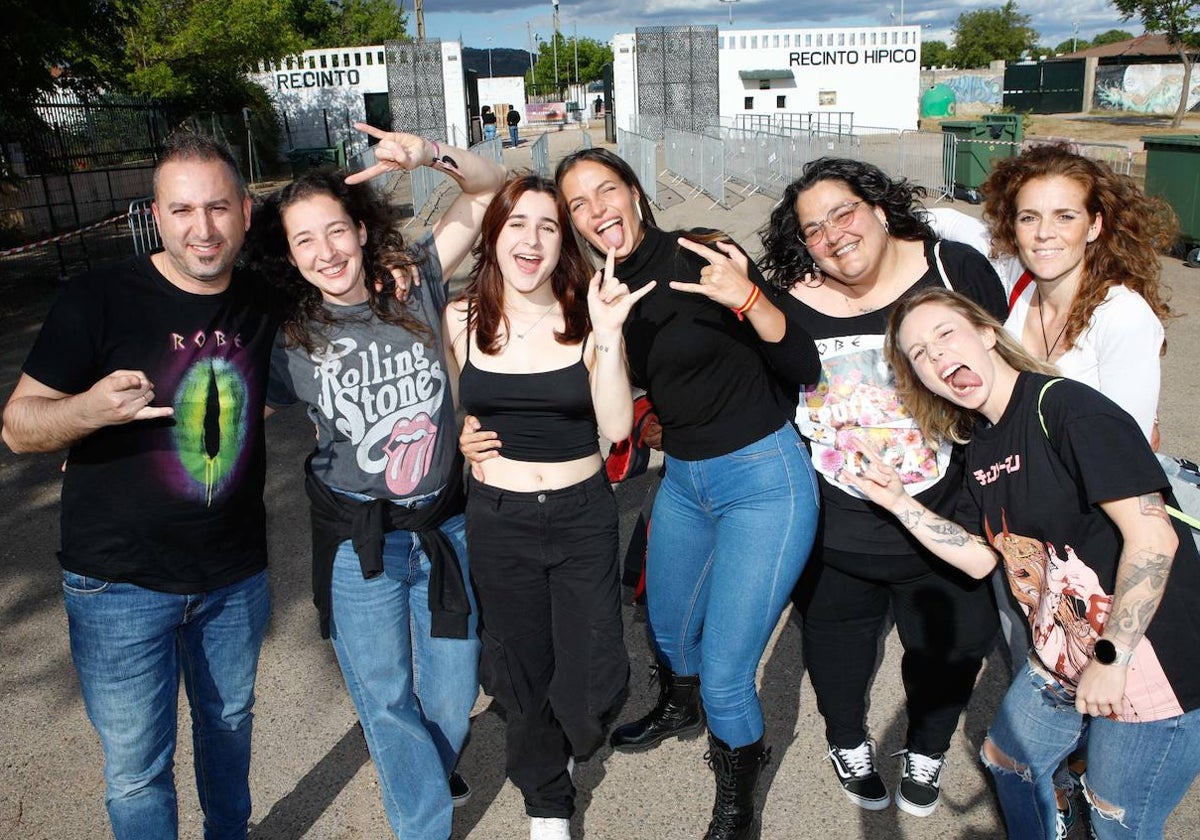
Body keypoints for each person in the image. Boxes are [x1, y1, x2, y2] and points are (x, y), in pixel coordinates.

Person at [843, 285, 1200, 840]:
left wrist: (1113, 654)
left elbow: (1154, 538)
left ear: (987, 333)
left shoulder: (1066, 407)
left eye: (945, 335)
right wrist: (897, 502)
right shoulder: (980, 443)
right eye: (919, 354)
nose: (937, 356)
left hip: (1151, 660)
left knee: (1115, 819)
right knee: (1008, 761)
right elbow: (983, 560)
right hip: (1062, 651)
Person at [1, 133, 276, 839]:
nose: (202, 228)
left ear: (245, 211)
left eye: (218, 207)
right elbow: (17, 425)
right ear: (156, 215)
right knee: (136, 771)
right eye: (182, 209)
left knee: (230, 734)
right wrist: (88, 411)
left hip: (233, 574)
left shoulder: (264, 294)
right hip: (117, 584)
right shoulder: (98, 298)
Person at [550, 147, 823, 840]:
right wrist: (609, 345)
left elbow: (801, 363)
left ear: (636, 193)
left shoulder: (705, 254)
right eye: (578, 204)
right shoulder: (600, 292)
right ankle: (679, 704)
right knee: (668, 629)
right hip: (686, 479)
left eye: (605, 190)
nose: (595, 211)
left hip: (763, 477)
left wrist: (751, 298)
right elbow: (619, 413)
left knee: (729, 670)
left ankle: (735, 809)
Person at [250, 127, 505, 840]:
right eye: (305, 241)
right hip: (356, 544)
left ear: (362, 232)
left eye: (336, 231)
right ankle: (422, 823)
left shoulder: (415, 276)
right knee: (385, 700)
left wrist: (428, 156)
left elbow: (487, 192)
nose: (326, 252)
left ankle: (421, 770)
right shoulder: (290, 333)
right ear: (289, 255)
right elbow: (234, 408)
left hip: (441, 529)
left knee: (451, 700)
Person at [758, 157, 1006, 818]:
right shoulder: (792, 302)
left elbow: (1001, 372)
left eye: (843, 212)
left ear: (878, 207)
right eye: (813, 229)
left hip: (947, 522)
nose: (834, 234)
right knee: (837, 662)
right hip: (837, 532)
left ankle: (926, 747)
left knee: (949, 657)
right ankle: (848, 742)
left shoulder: (952, 269)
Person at [446, 173, 652, 840]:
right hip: (498, 517)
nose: (530, 240)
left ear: (563, 240)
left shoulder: (587, 313)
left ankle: (565, 736)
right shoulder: (460, 319)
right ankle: (547, 802)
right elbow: (449, 411)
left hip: (581, 515)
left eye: (547, 225)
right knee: (520, 662)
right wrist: (458, 435)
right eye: (517, 224)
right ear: (493, 235)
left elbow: (619, 426)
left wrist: (613, 335)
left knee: (593, 666)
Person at [983, 143, 1176, 443]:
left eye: (1065, 217)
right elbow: (957, 228)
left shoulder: (1123, 317)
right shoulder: (1017, 283)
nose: (1044, 233)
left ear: (1094, 226)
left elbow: (1128, 452)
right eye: (1029, 217)